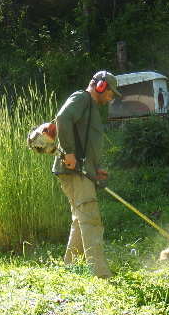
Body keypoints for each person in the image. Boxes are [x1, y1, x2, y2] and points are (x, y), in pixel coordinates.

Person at [52, 71, 122, 279]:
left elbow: (86, 142)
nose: (111, 98)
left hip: (83, 171)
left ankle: (70, 270)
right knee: (91, 220)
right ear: (101, 86)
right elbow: (62, 117)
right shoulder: (81, 98)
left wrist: (95, 168)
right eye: (110, 93)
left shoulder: (90, 108)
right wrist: (68, 151)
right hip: (73, 171)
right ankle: (100, 275)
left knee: (81, 219)